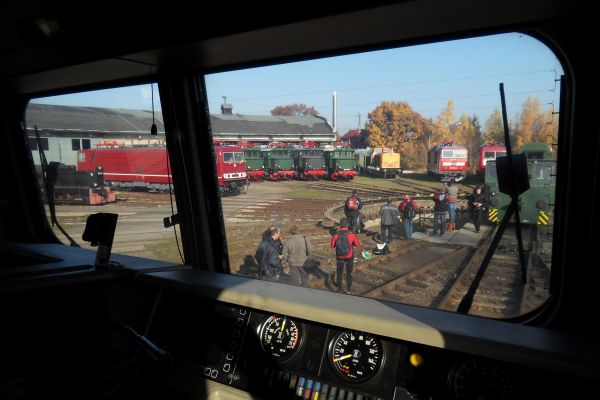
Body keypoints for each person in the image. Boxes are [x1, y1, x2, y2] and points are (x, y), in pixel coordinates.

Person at [331, 218, 359, 294]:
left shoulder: (336, 234)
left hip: (339, 256)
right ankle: (348, 290)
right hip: (349, 256)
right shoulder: (351, 234)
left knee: (339, 273)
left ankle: (339, 289)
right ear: (347, 225)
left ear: (340, 225)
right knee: (349, 273)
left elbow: (332, 246)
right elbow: (357, 244)